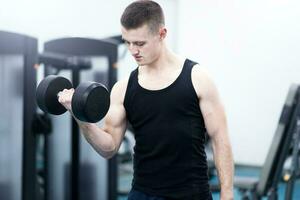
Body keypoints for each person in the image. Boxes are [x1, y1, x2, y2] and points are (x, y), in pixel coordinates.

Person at [58, 0, 234, 199]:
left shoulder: (198, 78)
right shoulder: (123, 88)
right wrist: (80, 117)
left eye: (140, 43)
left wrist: (227, 193)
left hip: (191, 194)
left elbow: (221, 140)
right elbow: (109, 148)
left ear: (162, 34)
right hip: (143, 193)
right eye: (127, 42)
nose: (133, 50)